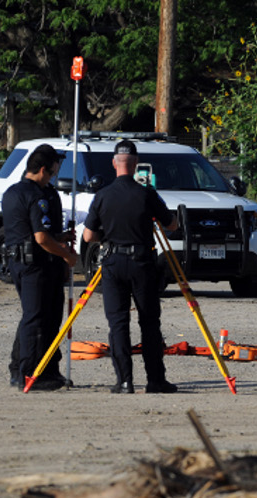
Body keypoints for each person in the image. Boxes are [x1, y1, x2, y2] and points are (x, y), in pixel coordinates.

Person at [83, 140, 179, 394]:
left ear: (114, 163)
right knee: (149, 322)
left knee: (118, 323)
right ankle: (155, 380)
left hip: (113, 262)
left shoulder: (102, 195)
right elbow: (171, 225)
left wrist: (107, 234)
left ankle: (124, 381)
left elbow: (88, 236)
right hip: (142, 262)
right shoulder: (147, 193)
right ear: (136, 164)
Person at [3, 144, 78, 390]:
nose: (56, 174)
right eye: (55, 169)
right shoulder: (37, 195)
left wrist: (62, 236)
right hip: (37, 264)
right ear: (44, 169)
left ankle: (28, 369)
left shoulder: (12, 192)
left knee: (35, 316)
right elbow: (41, 238)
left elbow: (36, 231)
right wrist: (67, 256)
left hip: (21, 263)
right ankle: (31, 374)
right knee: (38, 319)